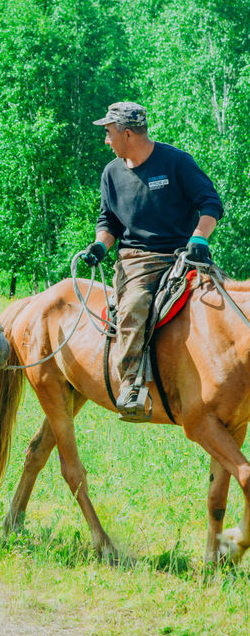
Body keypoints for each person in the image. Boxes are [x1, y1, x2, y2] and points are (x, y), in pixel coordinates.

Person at [80, 101, 223, 419]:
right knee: (133, 306)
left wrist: (199, 238)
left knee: (225, 299)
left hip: (185, 257)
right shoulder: (111, 173)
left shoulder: (176, 162)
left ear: (126, 133)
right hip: (137, 261)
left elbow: (210, 203)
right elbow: (109, 224)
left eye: (108, 133)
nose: (106, 140)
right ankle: (130, 386)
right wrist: (100, 247)